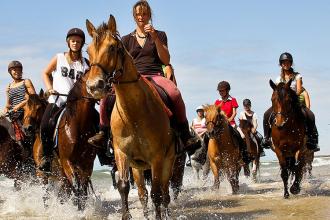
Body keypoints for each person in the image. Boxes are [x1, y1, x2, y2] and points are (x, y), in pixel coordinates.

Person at [88, 0, 200, 155]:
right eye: (138, 14)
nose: (141, 17)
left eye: (144, 14)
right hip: (132, 78)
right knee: (106, 99)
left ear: (149, 15)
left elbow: (166, 59)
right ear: (134, 16)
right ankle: (103, 133)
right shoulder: (126, 39)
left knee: (174, 93)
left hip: (154, 76)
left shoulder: (160, 35)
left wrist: (154, 37)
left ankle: (184, 134)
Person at [38, 28, 90, 171]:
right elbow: (45, 73)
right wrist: (49, 88)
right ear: (68, 42)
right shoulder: (59, 57)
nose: (75, 43)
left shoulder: (86, 63)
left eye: (78, 41)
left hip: (78, 103)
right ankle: (47, 157)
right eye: (73, 41)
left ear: (82, 44)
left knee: (97, 121)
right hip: (59, 99)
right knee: (45, 124)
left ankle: (104, 155)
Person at [261, 52, 319, 152]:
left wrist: (290, 95)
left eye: (288, 62)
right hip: (281, 103)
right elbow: (277, 92)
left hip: (294, 101)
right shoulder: (278, 79)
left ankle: (311, 139)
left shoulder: (297, 76)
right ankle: (266, 138)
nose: (286, 64)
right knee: (266, 114)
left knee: (310, 114)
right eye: (283, 62)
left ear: (291, 63)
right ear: (281, 64)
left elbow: (299, 89)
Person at [0, 60, 36, 147]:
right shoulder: (9, 86)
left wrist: (19, 106)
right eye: (14, 70)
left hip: (25, 114)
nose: (17, 72)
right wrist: (3, 112)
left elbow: (33, 98)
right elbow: (8, 104)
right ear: (10, 72)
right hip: (13, 115)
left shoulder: (26, 82)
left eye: (18, 70)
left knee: (27, 136)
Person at [214, 81, 249, 163]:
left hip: (231, 123)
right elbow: (215, 114)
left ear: (227, 90)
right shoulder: (217, 102)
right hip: (220, 125)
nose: (221, 92)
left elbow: (234, 112)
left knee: (242, 136)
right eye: (219, 91)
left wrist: (229, 119)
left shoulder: (233, 100)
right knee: (209, 137)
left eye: (222, 91)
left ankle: (243, 156)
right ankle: (206, 157)